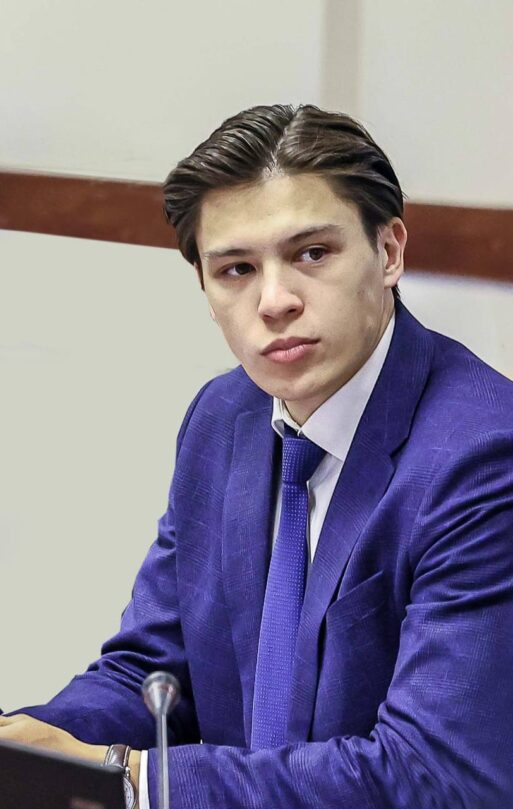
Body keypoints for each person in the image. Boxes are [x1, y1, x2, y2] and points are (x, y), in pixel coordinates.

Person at [1, 103, 513, 808]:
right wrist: (30, 753)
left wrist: (135, 779)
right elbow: (154, 674)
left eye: (312, 254)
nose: (274, 301)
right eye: (236, 268)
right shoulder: (223, 418)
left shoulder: (484, 456)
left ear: (389, 251)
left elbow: (436, 774)